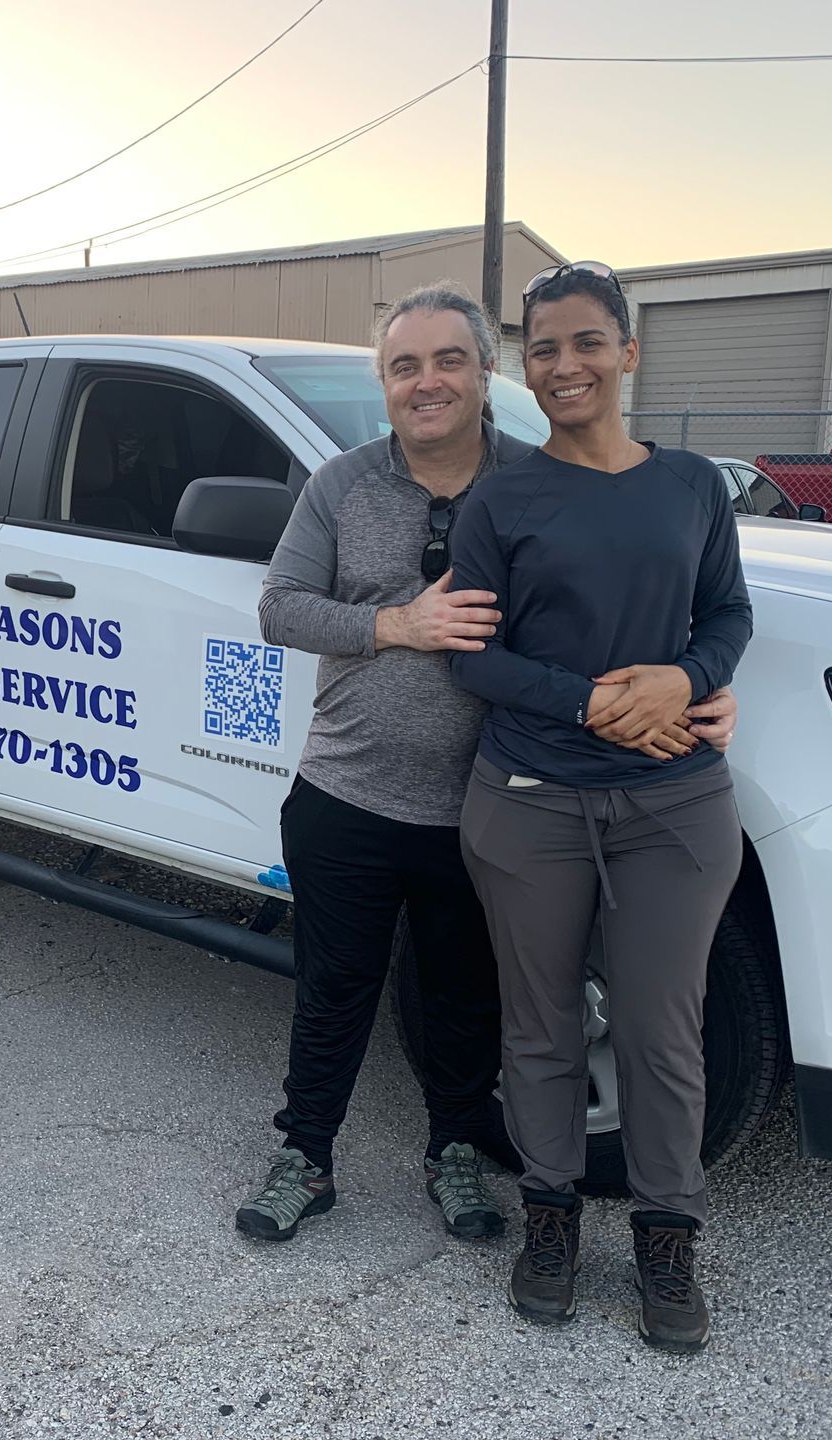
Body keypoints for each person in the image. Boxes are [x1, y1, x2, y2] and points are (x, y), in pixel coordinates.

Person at [236, 283, 737, 1246]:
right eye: (404, 366)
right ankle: (306, 1153)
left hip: (490, 799)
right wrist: (396, 623)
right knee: (334, 988)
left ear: (485, 372)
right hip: (348, 793)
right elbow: (278, 608)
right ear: (384, 384)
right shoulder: (343, 485)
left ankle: (456, 1153)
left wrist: (699, 679)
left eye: (448, 360)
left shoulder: (535, 482)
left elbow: (649, 603)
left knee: (466, 994)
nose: (427, 383)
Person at [448, 262, 753, 1354]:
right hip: (530, 801)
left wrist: (685, 678)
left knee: (665, 1032)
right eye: (542, 348)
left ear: (629, 353)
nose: (563, 364)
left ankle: (667, 1240)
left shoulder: (692, 489)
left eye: (585, 342)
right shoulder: (501, 497)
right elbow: (473, 655)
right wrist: (592, 702)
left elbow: (726, 612)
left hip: (674, 803)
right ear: (524, 368)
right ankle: (551, 1223)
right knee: (540, 1028)